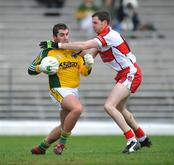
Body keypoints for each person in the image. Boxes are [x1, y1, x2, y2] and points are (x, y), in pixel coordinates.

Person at [39, 11, 152, 154]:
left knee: (109, 106)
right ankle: (142, 137)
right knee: (120, 109)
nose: (92, 25)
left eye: (95, 23)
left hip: (130, 73)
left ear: (104, 23)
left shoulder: (109, 36)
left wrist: (58, 45)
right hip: (126, 73)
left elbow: (85, 45)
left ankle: (131, 140)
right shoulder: (102, 38)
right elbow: (87, 56)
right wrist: (83, 60)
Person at [28, 23, 93, 155]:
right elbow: (30, 69)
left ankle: (41, 147)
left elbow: (84, 72)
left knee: (64, 126)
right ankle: (61, 144)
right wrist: (41, 68)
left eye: (67, 34)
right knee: (78, 109)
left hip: (74, 91)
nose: (65, 37)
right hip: (58, 89)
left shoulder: (75, 50)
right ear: (54, 37)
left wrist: (89, 64)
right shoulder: (47, 51)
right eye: (62, 35)